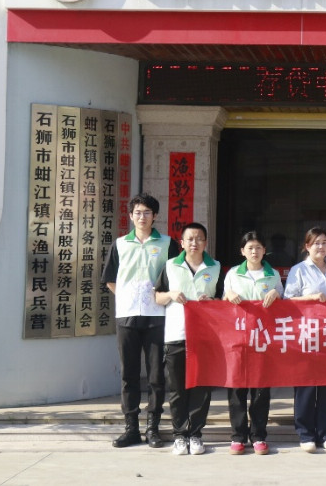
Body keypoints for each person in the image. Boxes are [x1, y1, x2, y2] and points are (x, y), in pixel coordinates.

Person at [102, 193, 180, 448]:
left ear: (155, 215)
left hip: (157, 315)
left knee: (156, 375)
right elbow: (110, 279)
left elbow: (176, 277)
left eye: (147, 212)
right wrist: (128, 297)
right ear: (131, 215)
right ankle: (131, 428)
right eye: (137, 212)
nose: (142, 217)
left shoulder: (167, 244)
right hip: (126, 316)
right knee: (129, 374)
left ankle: (153, 428)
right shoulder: (120, 244)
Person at [153, 222, 222, 456]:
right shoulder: (171, 265)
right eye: (190, 239)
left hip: (205, 336)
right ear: (181, 243)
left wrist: (211, 302)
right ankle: (180, 435)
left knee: (201, 387)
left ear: (206, 242)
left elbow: (223, 300)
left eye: (199, 238)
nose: (194, 243)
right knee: (177, 388)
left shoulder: (215, 267)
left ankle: (196, 434)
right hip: (176, 334)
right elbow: (157, 296)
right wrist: (171, 294)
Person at [283, 226, 326, 453]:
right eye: (316, 243)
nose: (321, 246)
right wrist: (310, 298)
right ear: (307, 246)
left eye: (324, 242)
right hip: (306, 335)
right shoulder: (298, 270)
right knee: (306, 386)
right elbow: (288, 300)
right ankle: (306, 433)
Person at [223, 231, 284, 456]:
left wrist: (276, 293)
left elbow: (284, 304)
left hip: (262, 341)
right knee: (236, 389)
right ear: (242, 251)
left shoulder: (273, 275)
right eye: (250, 248)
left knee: (260, 390)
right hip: (238, 340)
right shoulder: (232, 274)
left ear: (264, 250)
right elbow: (222, 304)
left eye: (258, 247)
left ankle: (258, 436)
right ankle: (238, 436)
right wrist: (228, 295)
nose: (254, 251)